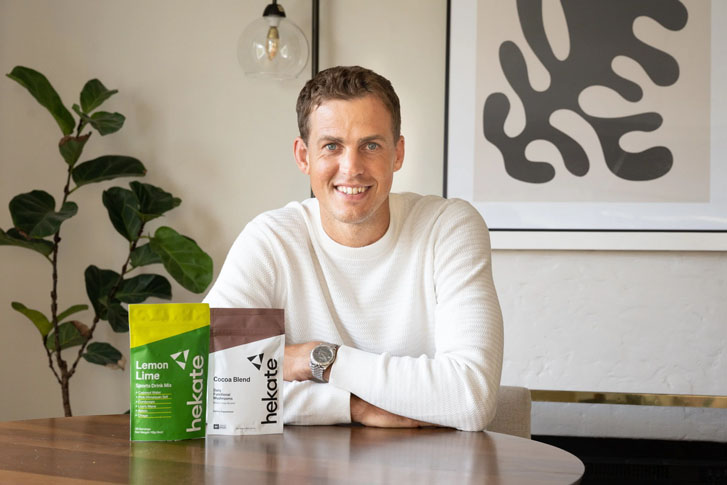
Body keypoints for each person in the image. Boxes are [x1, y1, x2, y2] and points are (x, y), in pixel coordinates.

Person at [203, 66, 503, 431]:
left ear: (398, 153)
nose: (352, 168)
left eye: (371, 145)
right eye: (332, 146)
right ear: (303, 156)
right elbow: (206, 382)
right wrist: (352, 405)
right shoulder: (271, 239)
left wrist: (320, 360)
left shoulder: (448, 227)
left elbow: (471, 398)